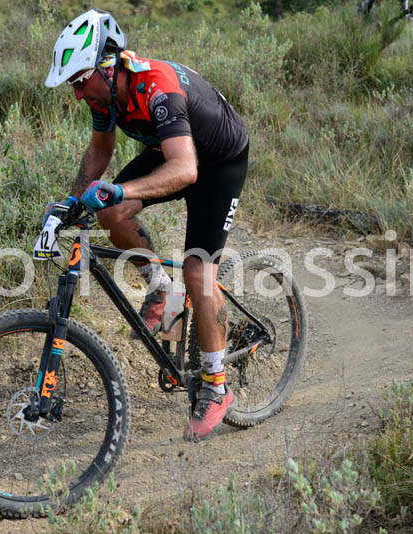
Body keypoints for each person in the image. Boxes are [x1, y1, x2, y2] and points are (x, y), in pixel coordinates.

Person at [43, 9, 249, 441]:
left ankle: (216, 387)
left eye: (79, 81)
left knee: (198, 270)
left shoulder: (157, 89)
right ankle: (161, 288)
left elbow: (186, 170)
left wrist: (118, 189)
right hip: (174, 151)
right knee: (110, 212)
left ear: (108, 65)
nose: (77, 94)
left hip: (218, 162)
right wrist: (71, 201)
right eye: (72, 85)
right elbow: (101, 149)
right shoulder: (104, 95)